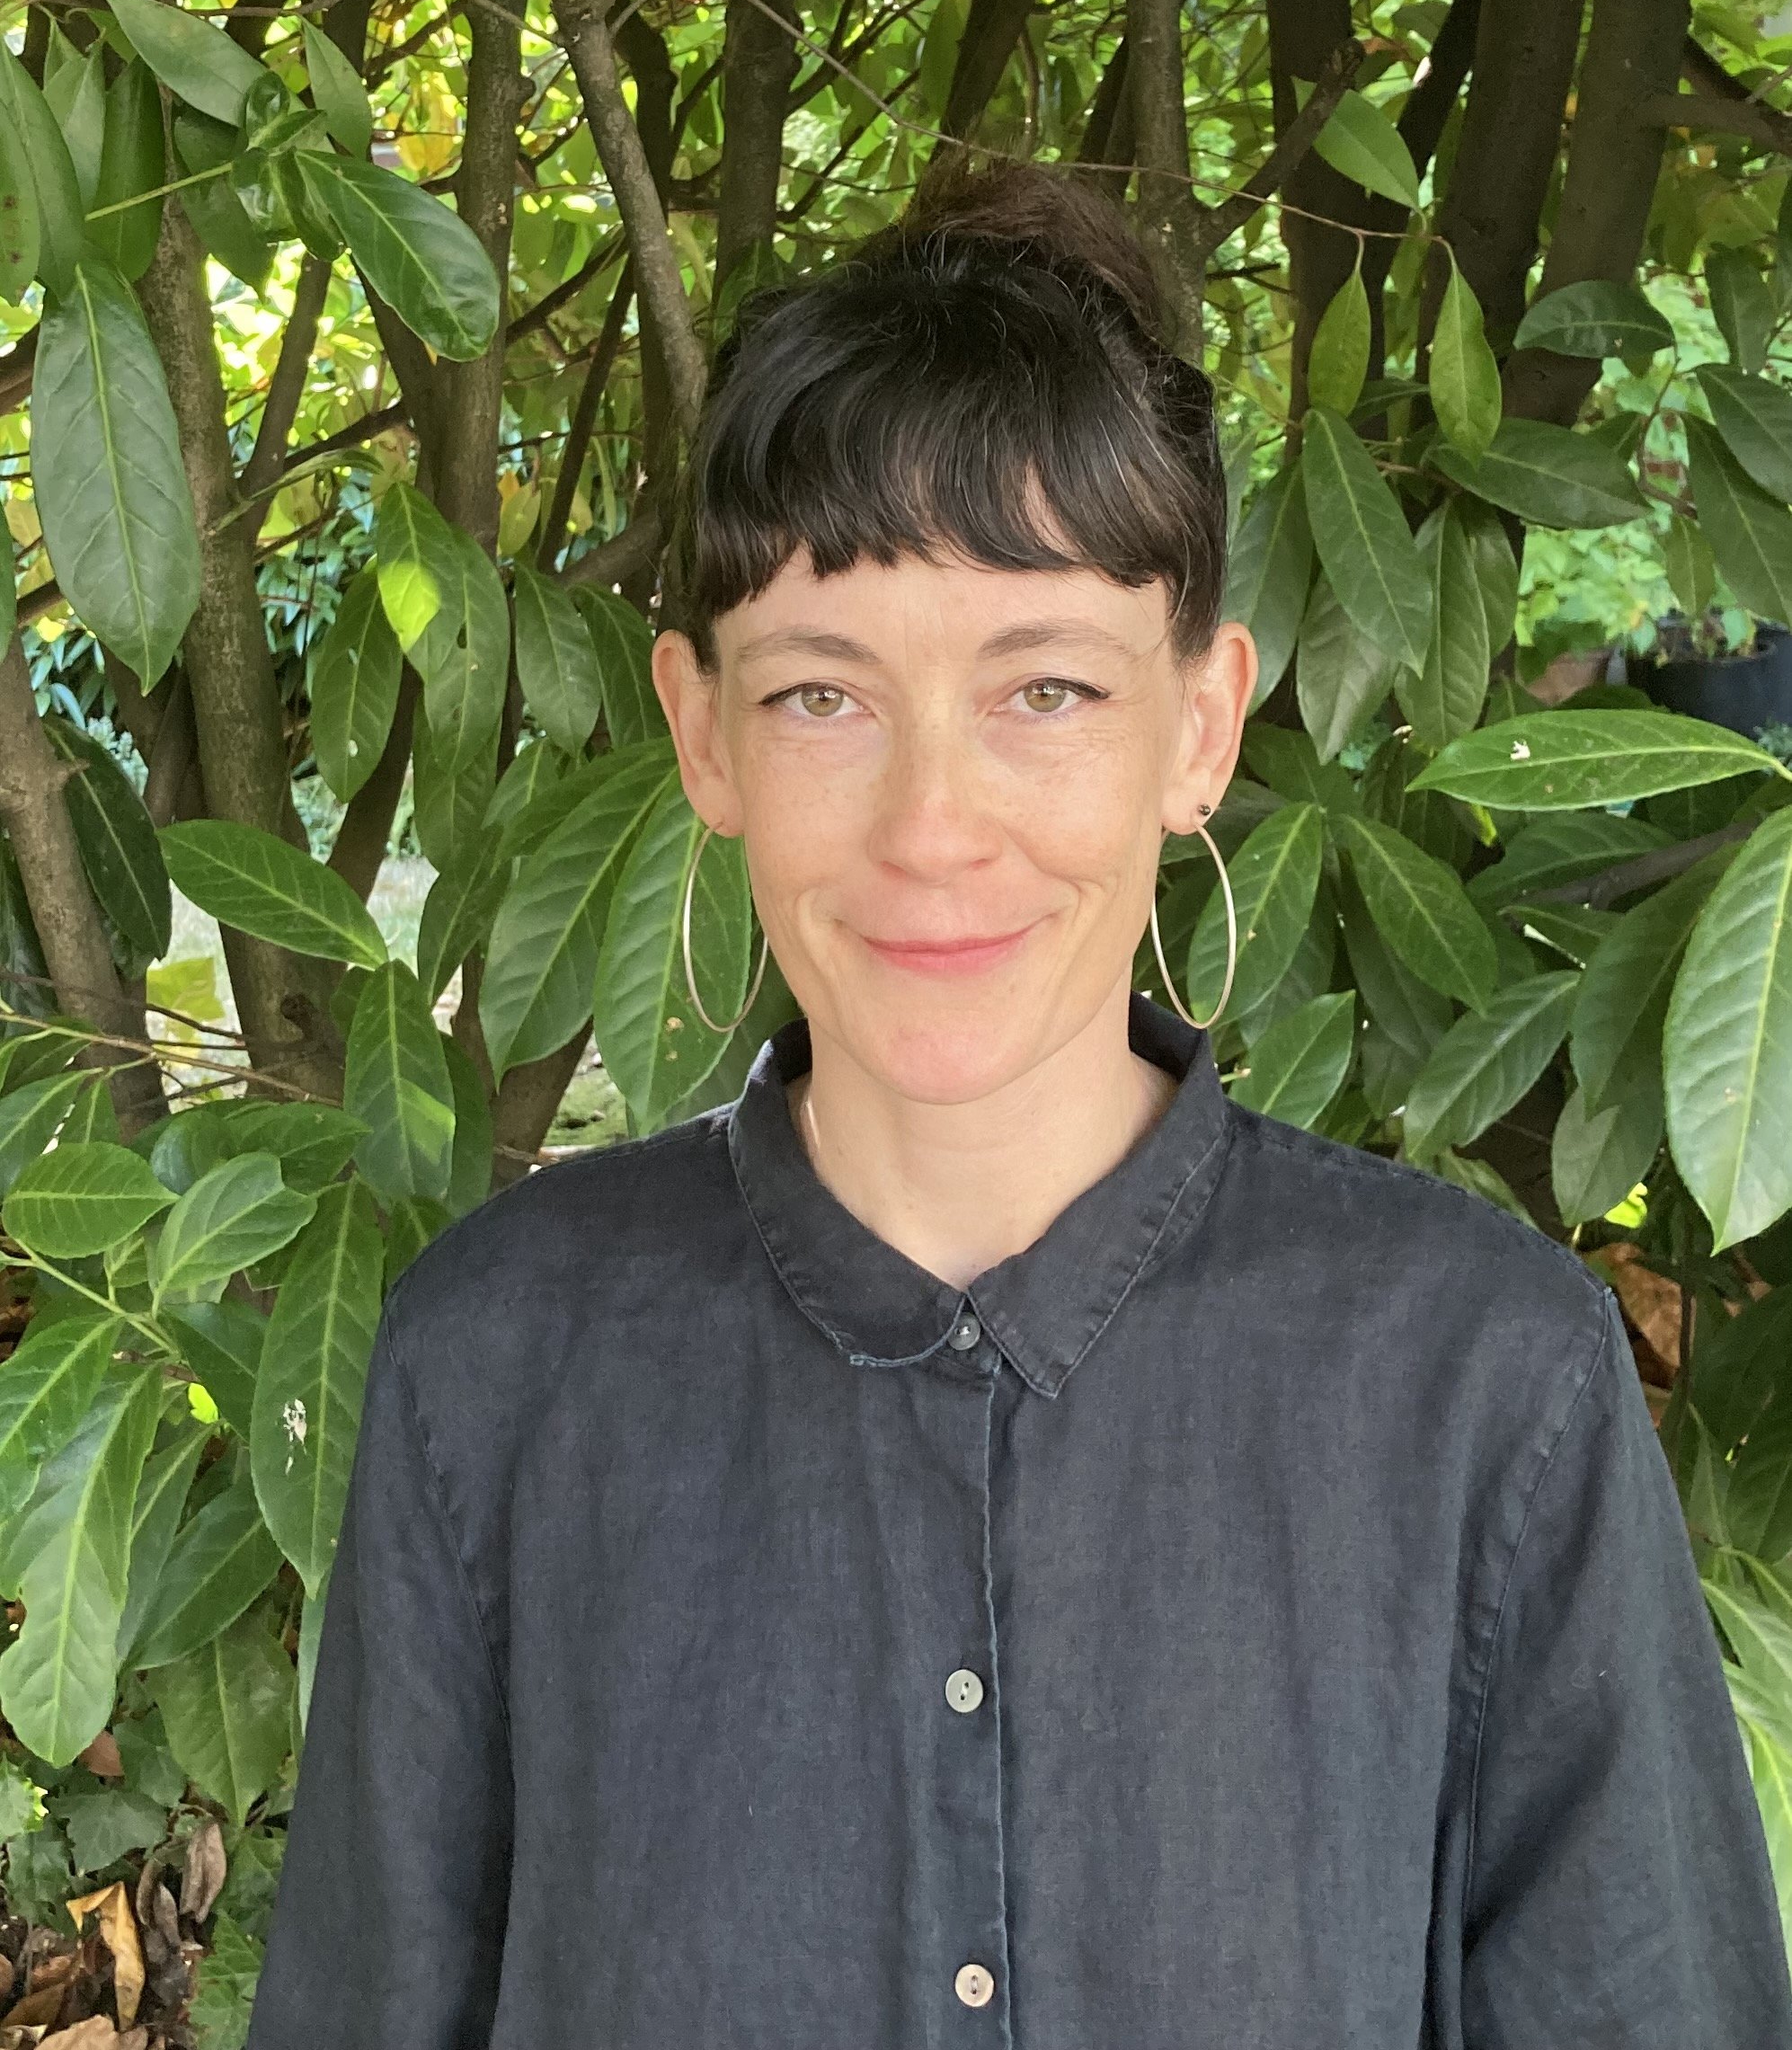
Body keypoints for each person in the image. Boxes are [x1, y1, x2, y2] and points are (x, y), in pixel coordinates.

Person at [244, 152, 1792, 2049]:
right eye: (825, 696)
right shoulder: (496, 1368)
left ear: (1202, 726)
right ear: (701, 730)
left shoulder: (1488, 1392)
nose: (930, 829)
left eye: (1042, 690)